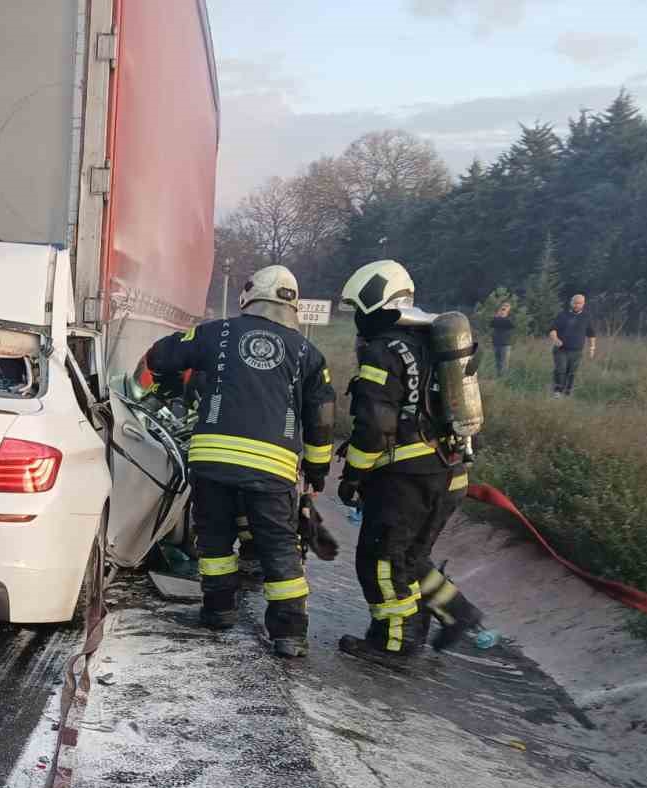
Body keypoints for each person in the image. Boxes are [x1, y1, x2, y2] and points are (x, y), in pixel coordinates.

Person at [137, 265, 335, 658]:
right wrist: (317, 470)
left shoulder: (217, 333)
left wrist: (170, 384)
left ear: (248, 296)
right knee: (279, 547)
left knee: (214, 540)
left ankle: (218, 611)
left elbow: (159, 355)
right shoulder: (309, 354)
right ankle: (289, 634)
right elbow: (322, 418)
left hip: (212, 461)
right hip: (274, 467)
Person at [335, 260, 486, 665]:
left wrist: (353, 475)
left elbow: (374, 425)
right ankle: (458, 613)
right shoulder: (434, 341)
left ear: (375, 301)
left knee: (381, 560)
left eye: (359, 307)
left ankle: (395, 643)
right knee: (410, 557)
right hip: (452, 471)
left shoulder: (384, 350)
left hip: (408, 480)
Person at [548, 293, 596, 395]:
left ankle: (567, 392)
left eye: (579, 303)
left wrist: (592, 348)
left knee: (572, 372)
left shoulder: (586, 317)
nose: (577, 305)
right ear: (571, 302)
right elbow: (552, 330)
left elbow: (591, 334)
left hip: (577, 351)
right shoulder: (562, 315)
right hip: (561, 349)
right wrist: (556, 339)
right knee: (560, 369)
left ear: (583, 304)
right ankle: (557, 391)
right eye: (575, 303)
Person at [490, 302, 514, 375]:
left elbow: (510, 325)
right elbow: (492, 324)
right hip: (496, 343)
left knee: (504, 363)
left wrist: (504, 315)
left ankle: (504, 379)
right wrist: (498, 314)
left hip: (505, 344)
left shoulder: (510, 318)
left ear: (509, 309)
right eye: (503, 308)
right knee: (498, 363)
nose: (503, 310)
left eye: (506, 308)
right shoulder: (497, 318)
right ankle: (499, 378)